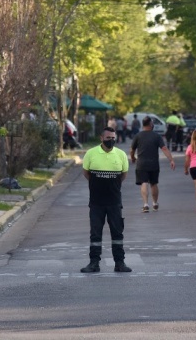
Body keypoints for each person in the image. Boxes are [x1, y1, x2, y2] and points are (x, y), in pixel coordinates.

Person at [80, 127, 131, 273]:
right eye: (108, 138)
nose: (111, 141)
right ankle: (94, 263)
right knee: (95, 234)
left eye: (113, 138)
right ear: (101, 138)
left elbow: (124, 175)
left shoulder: (120, 154)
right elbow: (86, 173)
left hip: (114, 202)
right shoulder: (91, 153)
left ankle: (119, 263)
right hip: (96, 202)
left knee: (117, 233)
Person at [130, 116, 176, 212]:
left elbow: (132, 150)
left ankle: (145, 204)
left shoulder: (138, 136)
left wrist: (133, 157)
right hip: (154, 164)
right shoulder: (156, 136)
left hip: (141, 164)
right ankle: (155, 203)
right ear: (151, 124)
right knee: (153, 183)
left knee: (144, 182)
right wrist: (171, 160)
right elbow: (164, 148)